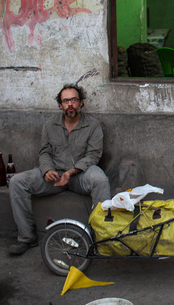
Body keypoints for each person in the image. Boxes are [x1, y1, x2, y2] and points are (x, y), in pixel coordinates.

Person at [8, 83, 111, 255]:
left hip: (80, 175)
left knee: (100, 180)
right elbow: (44, 152)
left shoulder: (93, 125)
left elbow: (93, 156)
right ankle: (27, 237)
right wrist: (47, 170)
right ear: (60, 105)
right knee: (17, 182)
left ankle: (100, 238)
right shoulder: (49, 125)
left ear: (81, 103)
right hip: (54, 176)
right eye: (66, 101)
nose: (70, 104)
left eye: (74, 100)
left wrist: (71, 172)